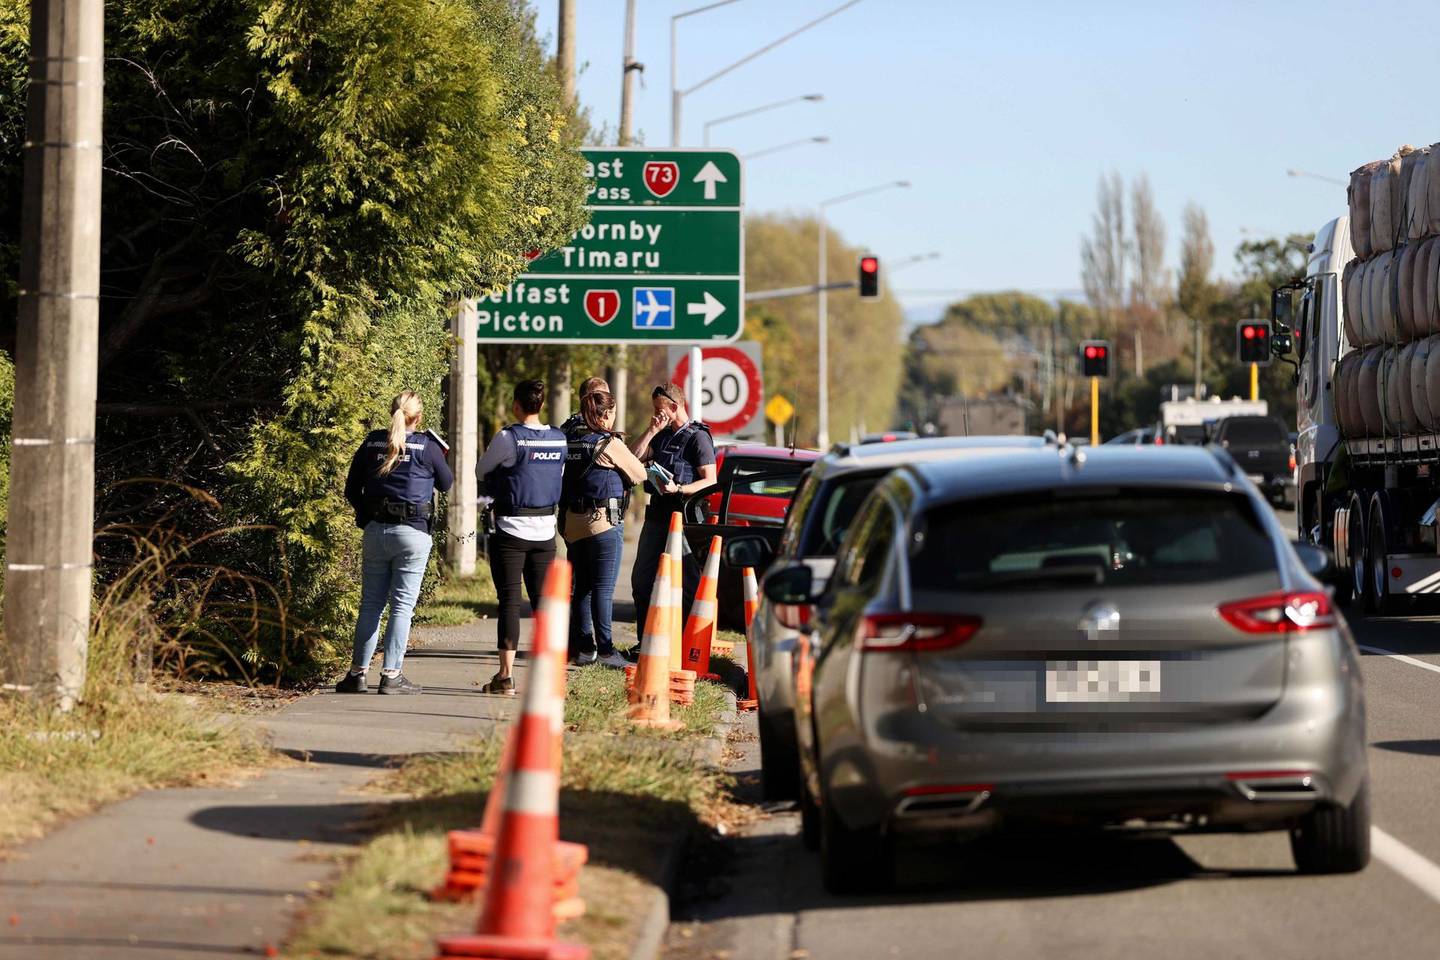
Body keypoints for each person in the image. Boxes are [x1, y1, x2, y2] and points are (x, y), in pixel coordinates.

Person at [337, 390, 453, 695]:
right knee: (401, 607)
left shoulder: (372, 441)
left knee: (371, 605)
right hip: (413, 534)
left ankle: (357, 675)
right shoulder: (427, 446)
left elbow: (351, 488)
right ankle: (391, 675)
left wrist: (365, 515)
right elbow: (447, 483)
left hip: (376, 531)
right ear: (418, 417)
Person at [477, 379, 565, 695]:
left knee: (510, 604)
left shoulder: (507, 438)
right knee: (544, 605)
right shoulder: (559, 439)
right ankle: (549, 676)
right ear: (540, 405)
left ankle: (505, 677)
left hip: (511, 531)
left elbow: (481, 470)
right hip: (545, 532)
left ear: (517, 405)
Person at [562, 390, 647, 667]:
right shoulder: (607, 443)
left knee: (582, 588)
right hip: (601, 521)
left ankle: (585, 649)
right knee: (602, 588)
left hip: (572, 523)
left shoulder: (570, 439)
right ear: (607, 414)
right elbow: (639, 473)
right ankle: (608, 651)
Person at [629, 383, 717, 643]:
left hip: (683, 521)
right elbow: (634, 459)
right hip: (656, 518)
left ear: (675, 407)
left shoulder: (697, 437)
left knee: (687, 584)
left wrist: (679, 488)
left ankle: (687, 643)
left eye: (660, 409)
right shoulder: (662, 434)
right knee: (642, 581)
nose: (656, 413)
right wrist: (651, 429)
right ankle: (645, 642)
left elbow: (710, 481)